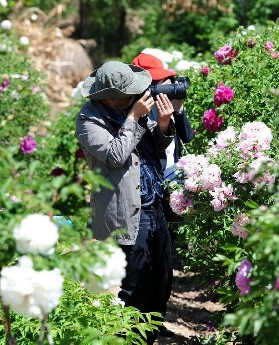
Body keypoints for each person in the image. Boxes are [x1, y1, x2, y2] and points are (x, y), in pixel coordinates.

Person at [75, 61, 176, 343]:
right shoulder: (89, 120)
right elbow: (116, 155)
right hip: (126, 215)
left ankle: (148, 338)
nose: (136, 95)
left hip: (154, 205)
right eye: (128, 93)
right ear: (110, 96)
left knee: (161, 282)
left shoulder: (130, 108)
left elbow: (154, 147)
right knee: (134, 289)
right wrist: (133, 118)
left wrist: (164, 124)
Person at [132, 52, 195, 240]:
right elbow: (152, 144)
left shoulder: (167, 105)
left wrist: (179, 109)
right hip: (153, 177)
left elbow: (187, 136)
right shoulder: (142, 108)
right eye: (160, 81)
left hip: (171, 170)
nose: (167, 86)